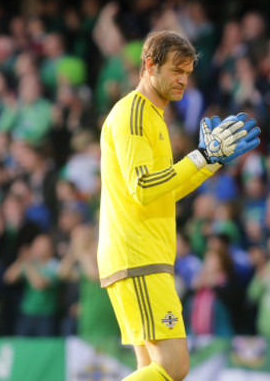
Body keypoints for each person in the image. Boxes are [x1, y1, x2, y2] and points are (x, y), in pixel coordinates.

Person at [97, 30, 260, 381]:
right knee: (174, 366)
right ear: (149, 65)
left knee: (151, 370)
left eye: (187, 72)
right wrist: (200, 155)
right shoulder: (134, 114)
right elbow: (142, 188)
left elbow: (165, 189)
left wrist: (210, 162)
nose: (183, 79)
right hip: (138, 253)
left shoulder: (153, 116)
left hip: (142, 253)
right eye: (175, 70)